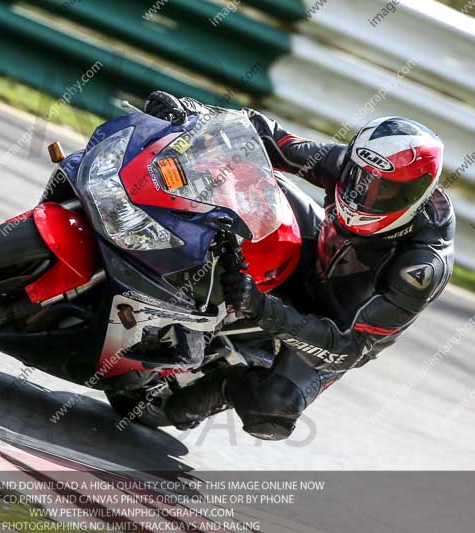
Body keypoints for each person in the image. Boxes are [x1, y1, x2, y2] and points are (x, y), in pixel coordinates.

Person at [142, 91, 455, 440]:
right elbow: (270, 138)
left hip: (338, 325)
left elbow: (347, 348)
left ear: (413, 196)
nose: (360, 194)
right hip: (316, 255)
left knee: (271, 410)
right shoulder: (347, 166)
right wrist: (195, 111)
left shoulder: (422, 266)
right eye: (358, 178)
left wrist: (263, 310)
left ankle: (209, 394)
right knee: (238, 187)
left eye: (381, 191)